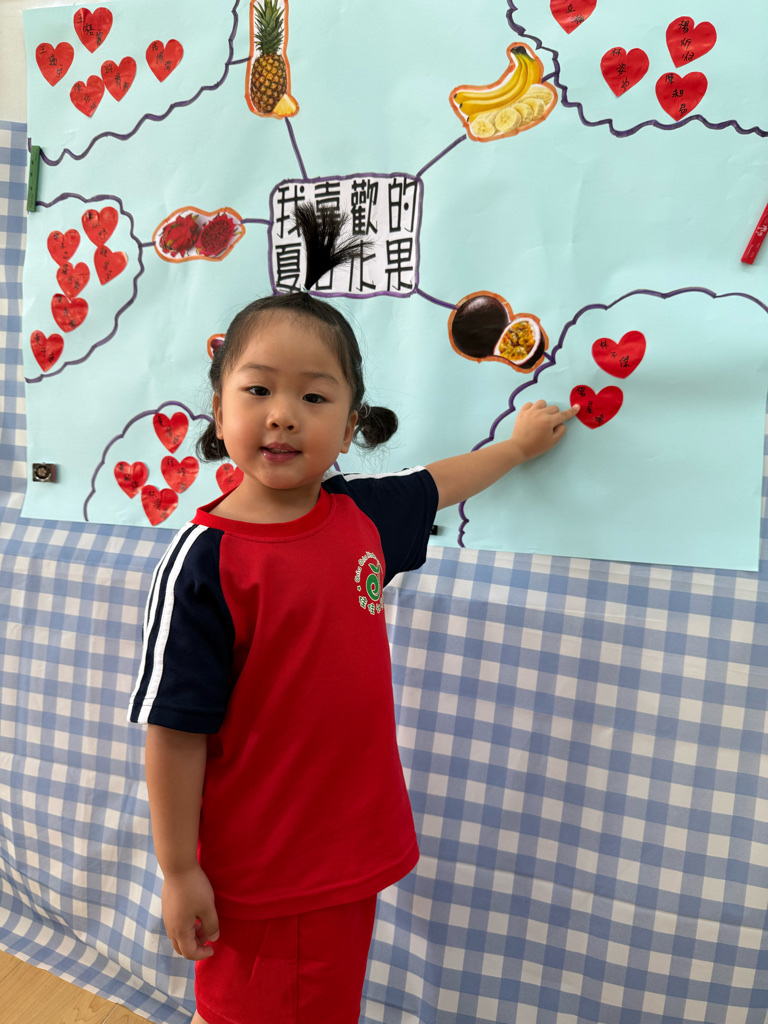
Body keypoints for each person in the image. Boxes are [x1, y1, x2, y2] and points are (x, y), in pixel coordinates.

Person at [128, 205, 579, 1024]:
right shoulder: (206, 563)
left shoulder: (363, 517)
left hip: (349, 849)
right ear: (220, 408)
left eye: (313, 395)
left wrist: (516, 449)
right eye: (258, 389)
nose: (282, 413)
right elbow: (174, 730)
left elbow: (441, 482)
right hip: (264, 869)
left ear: (349, 426)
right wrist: (177, 868)